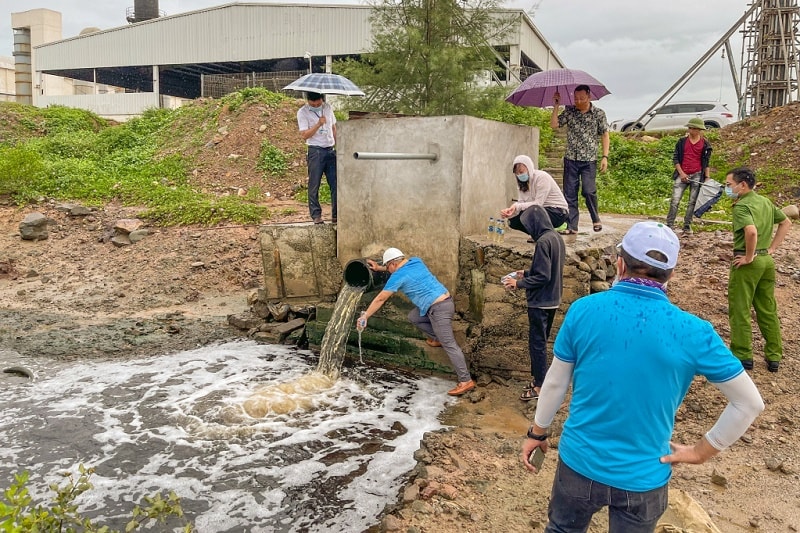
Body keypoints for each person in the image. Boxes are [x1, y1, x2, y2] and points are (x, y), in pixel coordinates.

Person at [520, 221, 764, 532]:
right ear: (671, 275)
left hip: (579, 465)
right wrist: (702, 451)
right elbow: (749, 404)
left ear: (619, 263)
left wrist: (537, 433)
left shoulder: (584, 310)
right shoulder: (694, 331)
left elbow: (555, 382)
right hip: (644, 476)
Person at [357, 248, 476, 396]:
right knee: (414, 317)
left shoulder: (397, 277)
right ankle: (438, 338)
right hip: (442, 303)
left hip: (439, 310)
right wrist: (380, 268)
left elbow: (381, 298)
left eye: (388, 267)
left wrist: (365, 316)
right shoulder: (416, 261)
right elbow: (399, 269)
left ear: (393, 263)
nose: (388, 270)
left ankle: (466, 381)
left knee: (450, 345)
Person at [725, 167, 791, 373]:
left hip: (748, 262)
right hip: (766, 261)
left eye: (729, 185)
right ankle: (773, 355)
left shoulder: (742, 206)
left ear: (742, 185)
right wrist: (771, 248)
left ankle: (743, 355)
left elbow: (751, 232)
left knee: (740, 308)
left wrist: (749, 256)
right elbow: (786, 222)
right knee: (767, 307)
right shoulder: (765, 201)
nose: (727, 189)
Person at [502, 206, 564, 401]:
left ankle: (539, 386)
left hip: (540, 302)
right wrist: (526, 273)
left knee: (537, 344)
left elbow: (543, 277)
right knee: (542, 342)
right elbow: (548, 271)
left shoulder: (543, 242)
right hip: (553, 299)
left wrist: (518, 283)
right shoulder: (556, 238)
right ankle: (541, 379)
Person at [550, 85, 609, 235]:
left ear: (589, 97)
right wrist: (556, 105)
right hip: (571, 158)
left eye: (581, 98)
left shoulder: (598, 114)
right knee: (569, 193)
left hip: (589, 159)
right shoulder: (570, 111)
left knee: (589, 191)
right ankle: (572, 226)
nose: (578, 101)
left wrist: (605, 156)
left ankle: (595, 218)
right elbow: (554, 125)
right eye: (575, 98)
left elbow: (604, 135)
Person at [499, 155, 568, 235]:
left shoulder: (542, 177)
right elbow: (522, 203)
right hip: (538, 211)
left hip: (557, 212)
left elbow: (538, 203)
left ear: (529, 168)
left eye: (521, 172)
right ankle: (537, 235)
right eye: (517, 173)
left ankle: (546, 233)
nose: (519, 175)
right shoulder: (522, 184)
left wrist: (517, 206)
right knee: (513, 221)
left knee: (533, 212)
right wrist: (511, 211)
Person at [666, 117, 713, 234]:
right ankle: (669, 224)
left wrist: (707, 177)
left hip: (697, 174)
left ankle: (687, 225)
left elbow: (706, 162)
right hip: (682, 173)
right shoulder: (682, 142)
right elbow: (676, 159)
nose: (691, 130)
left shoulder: (705, 144)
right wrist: (681, 173)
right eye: (689, 128)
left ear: (699, 130)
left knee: (692, 202)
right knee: (675, 200)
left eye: (693, 128)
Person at [297, 91, 337, 224]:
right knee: (314, 184)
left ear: (322, 99)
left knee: (336, 184)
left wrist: (338, 144)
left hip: (330, 150)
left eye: (318, 102)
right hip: (316, 151)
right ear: (308, 101)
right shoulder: (303, 112)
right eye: (313, 103)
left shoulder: (328, 108)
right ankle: (316, 215)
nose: (316, 105)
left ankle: (336, 215)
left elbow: (333, 127)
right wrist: (318, 124)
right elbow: (304, 135)